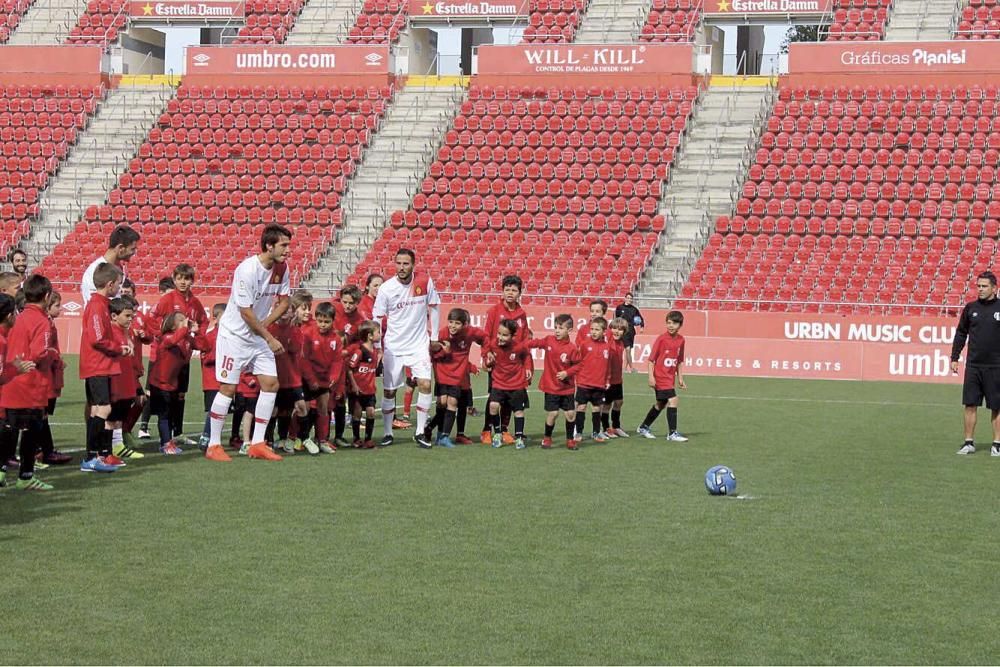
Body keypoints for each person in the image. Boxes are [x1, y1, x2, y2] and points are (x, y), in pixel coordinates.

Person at [204, 224, 292, 463]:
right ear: (269, 245)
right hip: (234, 337)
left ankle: (258, 443)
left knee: (271, 384)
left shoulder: (282, 268)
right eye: (283, 245)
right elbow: (245, 312)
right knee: (228, 389)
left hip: (257, 334)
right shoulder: (247, 270)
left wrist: (264, 325)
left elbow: (284, 302)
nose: (287, 250)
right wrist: (269, 336)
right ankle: (213, 445)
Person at [372, 248, 442, 449]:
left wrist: (434, 337)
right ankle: (387, 433)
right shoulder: (386, 288)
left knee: (426, 385)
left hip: (418, 345)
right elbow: (377, 317)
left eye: (406, 264)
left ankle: (420, 431)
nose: (401, 267)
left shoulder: (424, 282)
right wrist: (378, 346)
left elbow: (435, 306)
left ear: (413, 264)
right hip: (394, 347)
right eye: (398, 263)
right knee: (389, 391)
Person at [0, 276, 55, 490]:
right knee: (31, 432)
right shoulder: (42, 321)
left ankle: (2, 473)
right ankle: (25, 476)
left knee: (9, 431)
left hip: (10, 383)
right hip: (30, 385)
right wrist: (50, 354)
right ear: (47, 296)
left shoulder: (18, 317)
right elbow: (39, 354)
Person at [151, 263, 210, 447]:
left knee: (180, 395)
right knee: (164, 396)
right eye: (179, 278)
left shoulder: (194, 302)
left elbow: (203, 321)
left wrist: (197, 334)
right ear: (174, 279)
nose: (183, 282)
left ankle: (177, 433)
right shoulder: (167, 299)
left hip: (184, 357)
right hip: (167, 357)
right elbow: (154, 321)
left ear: (192, 280)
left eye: (187, 279)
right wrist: (165, 337)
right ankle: (163, 436)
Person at [79, 262, 129, 472]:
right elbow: (98, 338)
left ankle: (94, 456)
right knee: (104, 408)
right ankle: (92, 457)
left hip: (97, 364)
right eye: (118, 284)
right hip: (97, 364)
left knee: (97, 410)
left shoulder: (98, 304)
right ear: (109, 285)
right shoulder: (98, 305)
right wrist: (119, 348)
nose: (119, 288)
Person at [950, 271, 1000, 456]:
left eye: (984, 286)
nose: (980, 289)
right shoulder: (971, 308)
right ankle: (968, 442)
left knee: (997, 406)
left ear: (994, 288)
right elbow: (961, 333)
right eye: (978, 286)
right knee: (970, 404)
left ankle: (997, 444)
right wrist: (955, 357)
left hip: (996, 366)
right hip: (973, 365)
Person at [479, 275, 531, 445]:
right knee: (494, 397)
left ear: (519, 293)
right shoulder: (494, 311)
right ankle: (487, 429)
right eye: (507, 289)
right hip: (497, 361)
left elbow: (525, 342)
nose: (510, 293)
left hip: (515, 364)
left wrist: (528, 365)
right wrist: (486, 354)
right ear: (502, 291)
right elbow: (486, 336)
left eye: (514, 290)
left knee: (510, 399)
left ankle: (505, 430)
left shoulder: (522, 314)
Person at [426, 308, 486, 447]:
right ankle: (433, 431)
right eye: (451, 322)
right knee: (442, 403)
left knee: (453, 403)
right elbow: (432, 354)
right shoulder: (441, 334)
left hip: (457, 376)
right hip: (442, 374)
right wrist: (444, 352)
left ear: (465, 324)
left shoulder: (470, 332)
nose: (453, 326)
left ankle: (445, 436)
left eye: (457, 323)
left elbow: (485, 338)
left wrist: (487, 352)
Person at [526, 313, 580, 450]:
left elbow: (579, 365)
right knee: (553, 414)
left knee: (570, 414)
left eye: (560, 328)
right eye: (555, 327)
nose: (556, 330)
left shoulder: (572, 348)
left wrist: (567, 373)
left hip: (566, 388)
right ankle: (547, 438)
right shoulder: (549, 340)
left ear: (569, 330)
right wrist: (521, 343)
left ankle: (570, 440)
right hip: (551, 386)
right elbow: (535, 343)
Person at [267, 292, 311, 454]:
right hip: (275, 377)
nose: (285, 313)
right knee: (276, 410)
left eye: (288, 310)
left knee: (300, 407)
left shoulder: (295, 330)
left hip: (293, 378)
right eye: (281, 309)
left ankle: (303, 438)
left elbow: (294, 349)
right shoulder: (269, 328)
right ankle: (271, 439)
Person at [637, 311, 688, 442]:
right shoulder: (661, 339)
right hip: (660, 377)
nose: (671, 326)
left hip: (669, 378)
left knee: (661, 403)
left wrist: (680, 378)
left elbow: (679, 361)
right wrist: (651, 377)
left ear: (680, 325)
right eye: (669, 323)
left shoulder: (681, 340)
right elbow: (651, 360)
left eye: (674, 323)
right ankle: (672, 433)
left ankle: (644, 427)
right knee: (674, 400)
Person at [299, 301, 341, 454]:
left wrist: (333, 377)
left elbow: (337, 360)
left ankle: (322, 440)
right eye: (320, 321)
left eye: (327, 322)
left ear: (332, 321)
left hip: (324, 380)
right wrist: (311, 379)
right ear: (315, 319)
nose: (323, 324)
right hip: (309, 378)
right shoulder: (308, 334)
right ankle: (296, 438)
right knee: (303, 408)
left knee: (323, 408)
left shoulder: (335, 339)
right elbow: (304, 359)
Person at [483, 319, 530, 449]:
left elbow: (527, 356)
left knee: (518, 411)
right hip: (498, 383)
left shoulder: (519, 347)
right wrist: (488, 360)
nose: (500, 337)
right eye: (499, 333)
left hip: (516, 384)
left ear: (512, 336)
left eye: (504, 335)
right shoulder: (493, 344)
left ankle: (519, 437)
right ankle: (498, 433)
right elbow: (486, 359)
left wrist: (527, 368)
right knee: (493, 406)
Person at [137, 277, 175, 439]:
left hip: (172, 358)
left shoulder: (173, 307)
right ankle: (143, 426)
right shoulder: (157, 309)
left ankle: (169, 430)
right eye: (169, 292)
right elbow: (149, 327)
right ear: (162, 292)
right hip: (157, 357)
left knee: (170, 393)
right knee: (151, 392)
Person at [107, 297, 145, 458]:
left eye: (132, 316)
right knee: (112, 414)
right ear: (114, 316)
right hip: (116, 380)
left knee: (120, 413)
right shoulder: (110, 331)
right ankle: (108, 448)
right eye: (127, 316)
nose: (131, 319)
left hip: (127, 379)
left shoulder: (125, 331)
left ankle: (118, 445)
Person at [38, 290, 72, 465]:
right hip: (46, 375)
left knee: (43, 414)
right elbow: (45, 350)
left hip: (51, 373)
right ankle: (44, 451)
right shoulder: (45, 324)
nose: (60, 309)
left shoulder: (49, 323)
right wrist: (56, 359)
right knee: (41, 414)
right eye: (57, 305)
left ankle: (44, 450)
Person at [568, 316, 612, 444]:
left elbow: (607, 365)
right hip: (584, 382)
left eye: (597, 329)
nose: (593, 331)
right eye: (592, 329)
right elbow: (576, 361)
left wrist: (607, 379)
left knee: (597, 408)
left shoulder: (607, 347)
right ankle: (579, 432)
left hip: (599, 384)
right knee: (581, 407)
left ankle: (596, 432)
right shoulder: (584, 344)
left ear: (604, 332)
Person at [81, 225, 140, 304]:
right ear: (121, 248)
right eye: (132, 249)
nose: (134, 253)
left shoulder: (120, 269)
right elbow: (94, 305)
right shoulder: (94, 271)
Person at [346, 320, 381, 448]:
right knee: (357, 413)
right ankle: (356, 439)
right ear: (370, 336)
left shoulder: (376, 352)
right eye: (378, 332)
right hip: (358, 389)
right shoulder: (360, 351)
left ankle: (368, 439)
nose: (380, 334)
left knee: (371, 412)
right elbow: (349, 368)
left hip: (370, 389)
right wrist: (354, 385)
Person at [198, 303, 226, 450]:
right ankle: (206, 436)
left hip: (225, 380)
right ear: (215, 319)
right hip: (211, 381)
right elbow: (205, 357)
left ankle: (215, 438)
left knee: (223, 410)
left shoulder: (229, 336)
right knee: (213, 410)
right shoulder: (210, 336)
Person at [601, 318, 630, 438]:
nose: (617, 331)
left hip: (618, 378)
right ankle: (606, 428)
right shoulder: (608, 341)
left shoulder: (621, 343)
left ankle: (616, 427)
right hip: (607, 380)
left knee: (619, 402)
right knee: (607, 405)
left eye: (620, 329)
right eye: (614, 328)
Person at [614, 293, 644, 373]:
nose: (630, 300)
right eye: (628, 298)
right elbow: (615, 319)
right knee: (627, 349)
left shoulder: (634, 309)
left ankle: (625, 368)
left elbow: (640, 318)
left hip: (631, 331)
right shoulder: (620, 307)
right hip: (622, 330)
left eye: (631, 298)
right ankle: (631, 367)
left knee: (629, 350)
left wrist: (641, 326)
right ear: (625, 298)